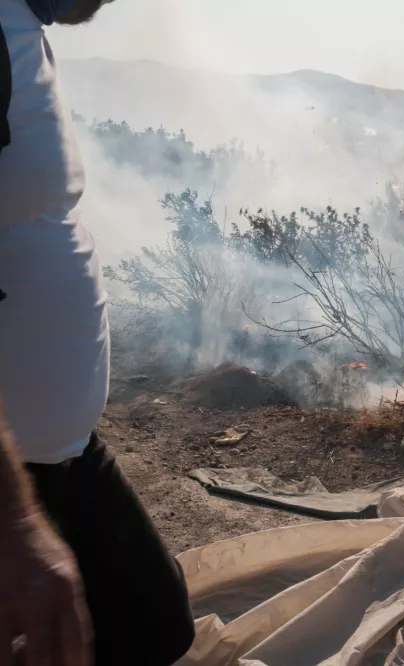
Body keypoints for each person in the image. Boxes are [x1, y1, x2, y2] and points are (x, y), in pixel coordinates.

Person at [0, 1, 195, 664]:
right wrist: (16, 523)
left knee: (152, 625)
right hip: (8, 469)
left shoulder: (21, 33)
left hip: (63, 452)